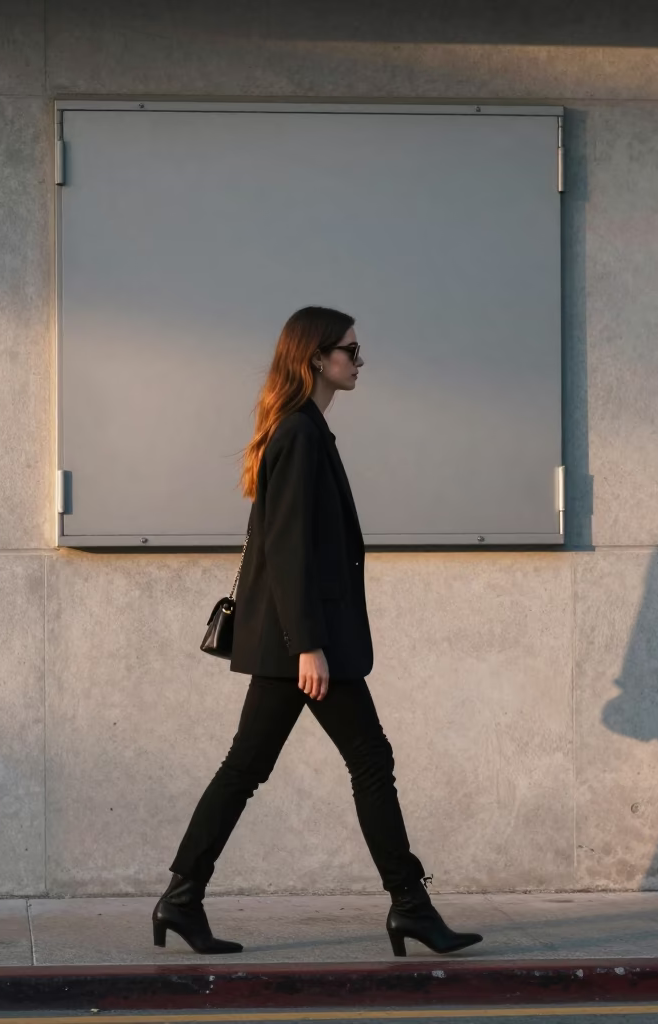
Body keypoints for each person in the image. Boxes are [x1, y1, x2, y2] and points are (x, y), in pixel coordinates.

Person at [152, 306, 483, 958]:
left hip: (293, 642)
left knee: (247, 768)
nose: (359, 362)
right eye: (350, 351)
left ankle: (183, 898)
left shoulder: (301, 430)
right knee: (368, 761)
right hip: (301, 645)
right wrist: (309, 643)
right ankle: (410, 908)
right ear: (316, 359)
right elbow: (287, 549)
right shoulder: (300, 435)